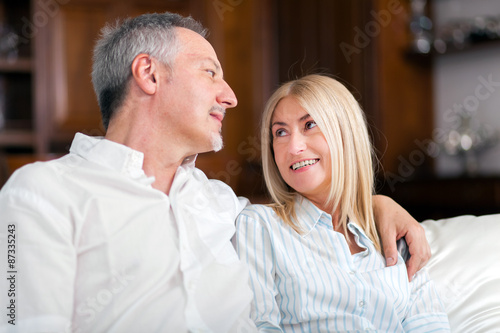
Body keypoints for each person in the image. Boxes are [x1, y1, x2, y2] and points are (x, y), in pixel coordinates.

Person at [0, 12, 428, 333]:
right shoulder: (42, 194)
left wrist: (375, 204)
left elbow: (305, 222)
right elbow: (20, 319)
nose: (231, 96)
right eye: (211, 73)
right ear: (149, 74)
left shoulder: (221, 205)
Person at [235, 74, 450, 332]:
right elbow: (258, 325)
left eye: (310, 125)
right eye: (280, 132)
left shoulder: (392, 232)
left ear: (346, 134)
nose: (293, 146)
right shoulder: (260, 226)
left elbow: (429, 324)